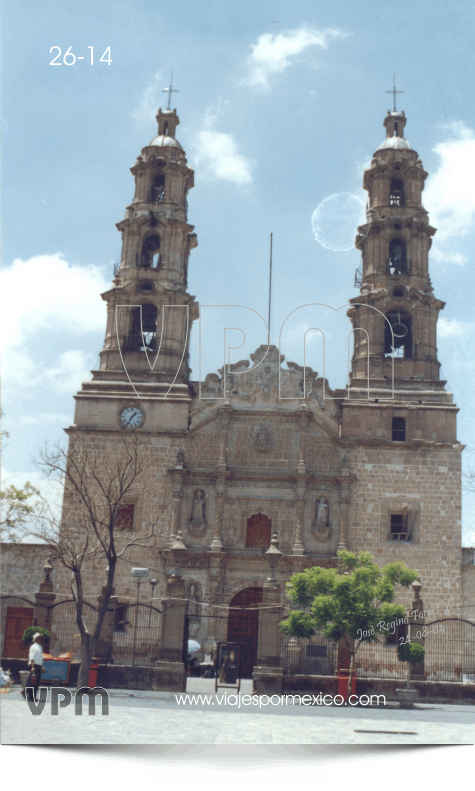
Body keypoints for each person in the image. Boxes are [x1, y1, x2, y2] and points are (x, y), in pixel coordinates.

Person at [22, 632, 44, 702]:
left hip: (38, 665)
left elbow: (40, 658)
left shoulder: (40, 647)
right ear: (36, 639)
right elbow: (32, 656)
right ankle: (24, 691)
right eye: (39, 638)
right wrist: (32, 666)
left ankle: (32, 697)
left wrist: (42, 666)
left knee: (36, 682)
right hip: (34, 665)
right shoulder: (34, 646)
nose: (40, 639)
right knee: (32, 681)